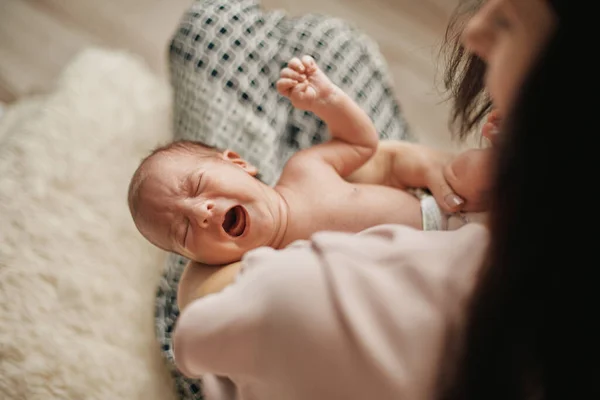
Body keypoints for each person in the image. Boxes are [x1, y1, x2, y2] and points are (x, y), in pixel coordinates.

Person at [172, 1, 597, 400]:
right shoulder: (545, 209)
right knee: (328, 42)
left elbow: (361, 143)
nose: (473, 32)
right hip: (430, 205)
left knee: (213, 24)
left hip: (250, 332)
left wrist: (198, 267)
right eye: (182, 227)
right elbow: (368, 151)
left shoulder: (299, 275)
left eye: (507, 21)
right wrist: (404, 161)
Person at [128, 54, 489, 267]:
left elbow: (360, 144)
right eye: (184, 231)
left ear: (238, 162)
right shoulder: (261, 271)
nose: (201, 213)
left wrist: (327, 100)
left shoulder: (304, 170)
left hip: (444, 217)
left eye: (198, 185)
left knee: (468, 169)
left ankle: (522, 153)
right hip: (429, 277)